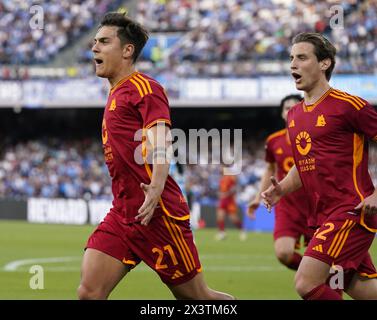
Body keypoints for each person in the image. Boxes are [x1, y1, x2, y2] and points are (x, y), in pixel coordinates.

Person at [77, 12, 234, 300]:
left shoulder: (145, 88)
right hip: (123, 214)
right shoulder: (115, 93)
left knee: (198, 299)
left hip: (158, 214)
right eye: (94, 42)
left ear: (127, 51)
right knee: (89, 293)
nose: (94, 48)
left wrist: (157, 187)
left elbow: (161, 141)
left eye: (103, 42)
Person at [262, 32, 377, 300]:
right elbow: (305, 165)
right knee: (362, 289)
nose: (293, 64)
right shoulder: (294, 115)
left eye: (302, 57)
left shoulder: (349, 106)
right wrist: (283, 189)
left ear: (324, 63)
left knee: (306, 282)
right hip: (322, 216)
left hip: (351, 210)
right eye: (291, 58)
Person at [248, 94, 314, 270]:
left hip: (315, 203)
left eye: (295, 107)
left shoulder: (316, 137)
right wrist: (257, 197)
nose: (291, 111)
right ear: (282, 113)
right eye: (287, 108)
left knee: (325, 257)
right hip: (288, 205)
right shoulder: (273, 141)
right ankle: (319, 274)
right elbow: (270, 169)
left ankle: (320, 276)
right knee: (283, 253)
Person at [216, 169, 246, 240]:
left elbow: (234, 189)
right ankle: (222, 233)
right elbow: (220, 190)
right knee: (220, 216)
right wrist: (220, 194)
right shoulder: (221, 179)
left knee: (233, 218)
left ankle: (242, 230)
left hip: (230, 201)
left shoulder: (231, 177)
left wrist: (226, 194)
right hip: (223, 200)